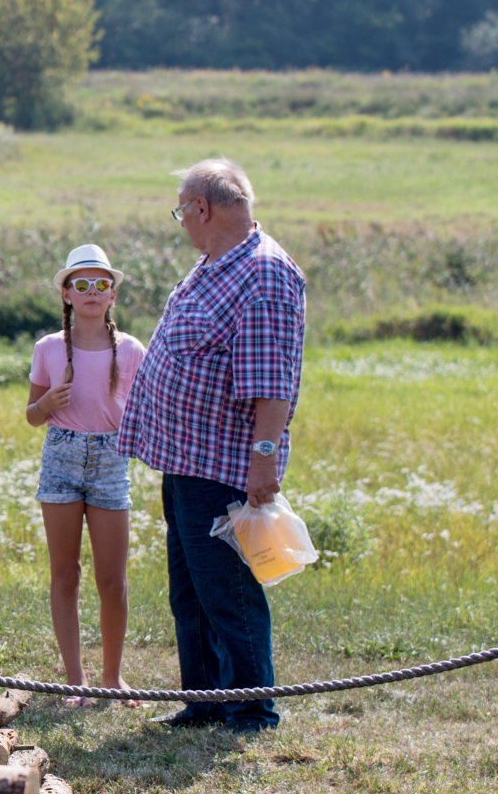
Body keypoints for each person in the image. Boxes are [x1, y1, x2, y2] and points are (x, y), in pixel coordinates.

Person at [118, 158, 306, 734]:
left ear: (202, 208)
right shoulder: (216, 263)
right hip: (184, 459)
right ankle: (206, 701)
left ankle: (252, 707)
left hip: (224, 463)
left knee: (227, 591)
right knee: (191, 589)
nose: (182, 222)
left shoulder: (265, 274)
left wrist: (264, 466)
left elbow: (273, 386)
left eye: (182, 210)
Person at [27, 245, 147, 707]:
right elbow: (32, 416)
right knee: (65, 574)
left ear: (113, 294)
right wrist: (46, 404)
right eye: (82, 284)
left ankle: (112, 677)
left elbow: (145, 410)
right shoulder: (49, 348)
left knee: (112, 581)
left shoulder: (133, 350)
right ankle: (74, 679)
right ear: (67, 293)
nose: (92, 292)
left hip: (111, 461)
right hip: (61, 456)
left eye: (101, 284)